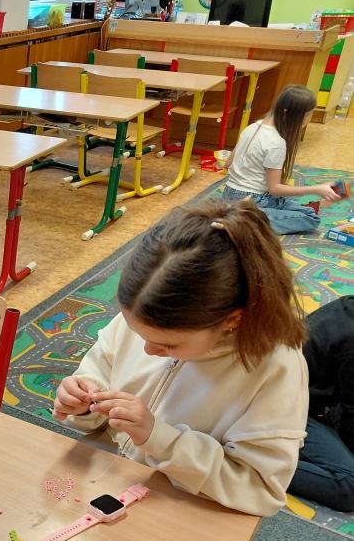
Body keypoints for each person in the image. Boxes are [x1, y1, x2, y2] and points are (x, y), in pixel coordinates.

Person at [53, 200, 309, 516]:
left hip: (183, 510)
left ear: (231, 320)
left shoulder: (276, 369)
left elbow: (259, 489)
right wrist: (82, 399)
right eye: (137, 332)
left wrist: (160, 439)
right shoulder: (150, 314)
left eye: (168, 345)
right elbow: (99, 372)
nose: (147, 350)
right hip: (108, 483)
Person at [223, 84, 340, 234]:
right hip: (252, 200)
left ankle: (239, 215)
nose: (308, 120)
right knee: (311, 218)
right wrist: (317, 189)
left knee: (302, 208)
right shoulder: (276, 142)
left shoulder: (253, 127)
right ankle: (242, 221)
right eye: (307, 115)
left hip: (230, 194)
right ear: (289, 114)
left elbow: (228, 163)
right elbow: (275, 189)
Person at [290, 296, 354, 511]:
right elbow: (350, 415)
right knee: (348, 485)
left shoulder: (348, 305)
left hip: (302, 396)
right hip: (287, 408)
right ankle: (249, 463)